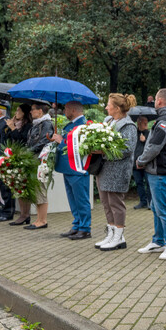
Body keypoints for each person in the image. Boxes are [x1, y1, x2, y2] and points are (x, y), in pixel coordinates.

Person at [135, 88, 166, 259]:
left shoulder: (165, 121)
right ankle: (158, 241)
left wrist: (140, 161)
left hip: (162, 172)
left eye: (155, 99)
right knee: (156, 207)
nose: (154, 102)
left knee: (162, 209)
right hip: (160, 171)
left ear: (160, 101)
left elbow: (154, 147)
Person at [94, 93, 138, 251]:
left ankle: (118, 237)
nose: (106, 107)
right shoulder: (108, 121)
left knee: (115, 203)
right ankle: (111, 234)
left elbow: (127, 149)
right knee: (106, 203)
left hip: (118, 170)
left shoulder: (129, 126)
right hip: (103, 169)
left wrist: (102, 151)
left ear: (117, 108)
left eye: (108, 104)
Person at [52, 101, 92, 240]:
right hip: (67, 168)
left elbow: (79, 146)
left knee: (81, 199)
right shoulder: (71, 125)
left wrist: (61, 141)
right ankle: (77, 224)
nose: (64, 110)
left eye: (66, 108)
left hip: (77, 169)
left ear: (73, 110)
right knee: (73, 200)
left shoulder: (83, 125)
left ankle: (85, 228)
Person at [24, 101, 55, 230]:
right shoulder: (37, 124)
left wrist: (28, 151)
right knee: (36, 188)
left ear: (40, 111)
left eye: (33, 109)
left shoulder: (46, 124)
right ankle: (38, 219)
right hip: (34, 158)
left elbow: (44, 141)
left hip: (40, 159)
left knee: (40, 187)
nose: (31, 112)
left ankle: (42, 220)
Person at [5, 103, 34, 225]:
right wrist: (9, 127)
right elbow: (8, 139)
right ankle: (23, 214)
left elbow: (22, 140)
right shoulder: (16, 124)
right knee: (17, 186)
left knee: (23, 187)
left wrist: (13, 128)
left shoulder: (28, 126)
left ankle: (25, 214)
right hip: (14, 156)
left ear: (24, 113)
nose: (16, 113)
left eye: (18, 111)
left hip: (24, 157)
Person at [132, 116, 150, 210]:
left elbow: (152, 147)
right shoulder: (134, 133)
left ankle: (149, 202)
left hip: (146, 164)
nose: (146, 125)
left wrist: (145, 140)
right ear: (139, 123)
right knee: (139, 183)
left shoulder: (150, 133)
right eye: (144, 123)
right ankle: (142, 201)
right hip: (135, 164)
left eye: (147, 123)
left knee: (148, 183)